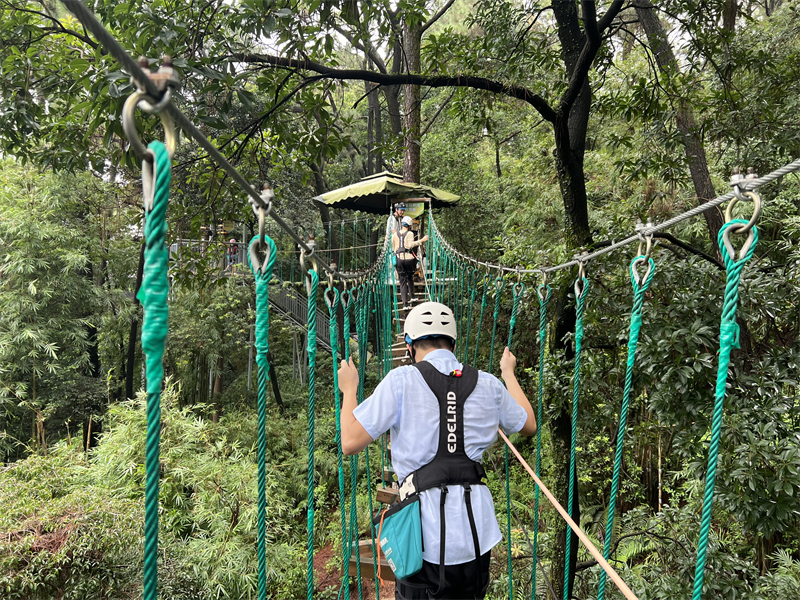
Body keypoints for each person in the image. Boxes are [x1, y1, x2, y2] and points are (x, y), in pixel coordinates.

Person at [338, 302, 536, 600]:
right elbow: (529, 424)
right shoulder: (489, 384)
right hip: (476, 535)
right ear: (453, 343)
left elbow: (350, 441)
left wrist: (350, 390)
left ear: (409, 345)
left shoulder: (401, 380)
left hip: (422, 538)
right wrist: (508, 373)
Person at [393, 216, 428, 308]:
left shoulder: (394, 235)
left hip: (399, 259)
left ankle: (405, 304)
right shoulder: (410, 233)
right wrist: (421, 240)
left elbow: (394, 248)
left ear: (401, 224)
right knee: (410, 278)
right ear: (409, 225)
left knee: (402, 282)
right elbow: (410, 245)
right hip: (408, 259)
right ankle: (412, 296)